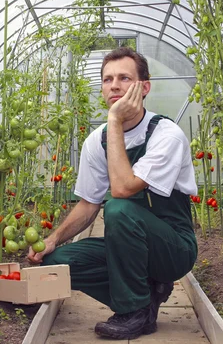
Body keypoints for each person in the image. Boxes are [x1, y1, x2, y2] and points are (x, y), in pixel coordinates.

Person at [27, 46, 198, 340]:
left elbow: (121, 189)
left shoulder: (165, 134)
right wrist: (52, 240)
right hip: (126, 247)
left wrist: (116, 121)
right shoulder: (98, 140)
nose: (115, 86)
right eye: (107, 80)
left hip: (172, 248)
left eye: (124, 78)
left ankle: (132, 310)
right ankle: (145, 301)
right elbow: (89, 203)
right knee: (55, 264)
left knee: (118, 208)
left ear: (144, 87)